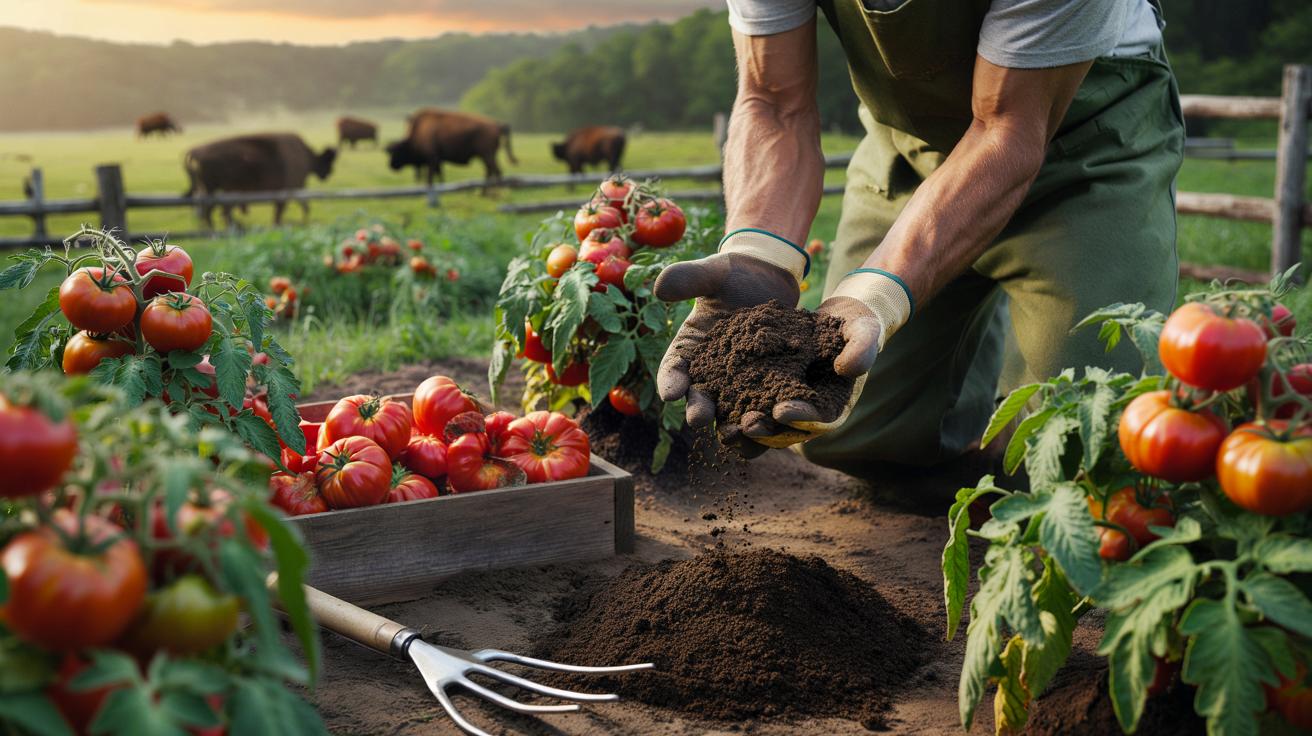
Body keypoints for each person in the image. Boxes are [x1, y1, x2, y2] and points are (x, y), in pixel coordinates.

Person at [654, 0, 1184, 475]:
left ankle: (991, 298)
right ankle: (966, 330)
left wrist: (878, 295)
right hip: (912, 146)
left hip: (1083, 147)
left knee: (1084, 444)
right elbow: (773, 100)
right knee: (849, 431)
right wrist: (758, 258)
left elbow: (1008, 129)